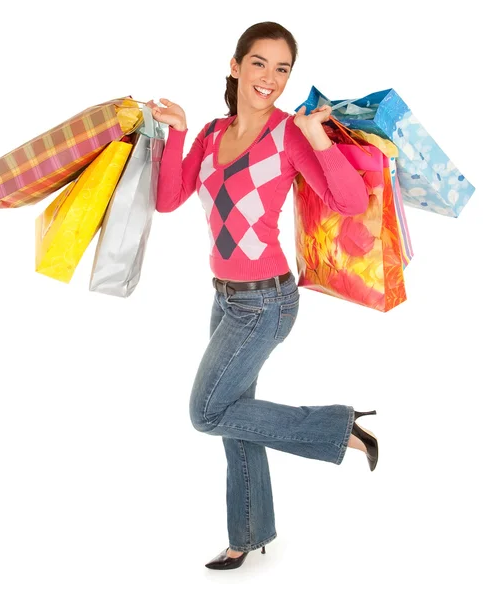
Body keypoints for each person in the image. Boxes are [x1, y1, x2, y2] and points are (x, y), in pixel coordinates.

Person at [147, 21, 378, 571]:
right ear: (235, 65)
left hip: (267, 302)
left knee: (207, 413)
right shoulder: (208, 134)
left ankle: (339, 428)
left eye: (282, 69)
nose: (270, 78)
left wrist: (317, 135)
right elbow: (169, 199)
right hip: (225, 298)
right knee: (233, 416)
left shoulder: (289, 134)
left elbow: (349, 202)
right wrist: (176, 131)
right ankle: (248, 533)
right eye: (259, 63)